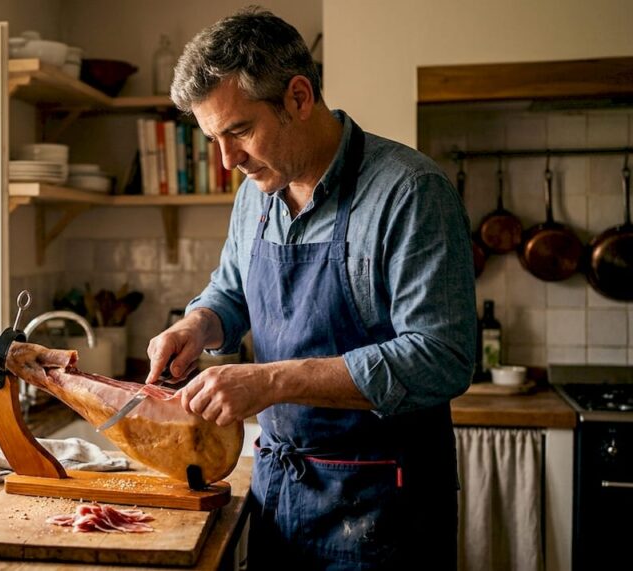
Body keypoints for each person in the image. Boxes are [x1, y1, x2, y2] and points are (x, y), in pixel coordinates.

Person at [145, 7, 476, 569]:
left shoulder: (410, 192)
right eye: (213, 140)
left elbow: (441, 357)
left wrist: (272, 380)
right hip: (280, 491)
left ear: (298, 97)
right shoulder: (255, 192)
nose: (228, 162)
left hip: (386, 506)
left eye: (240, 131)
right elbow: (231, 290)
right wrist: (196, 323)